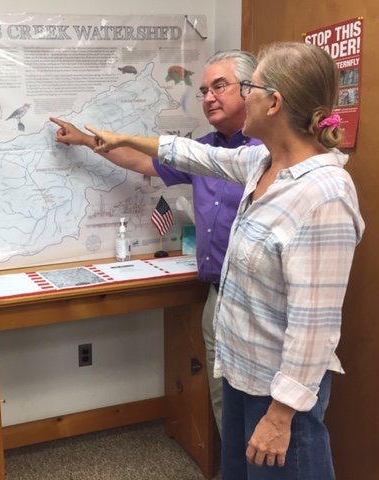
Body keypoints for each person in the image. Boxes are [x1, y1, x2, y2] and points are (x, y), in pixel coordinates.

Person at [84, 41, 364, 480]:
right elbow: (194, 154)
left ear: (274, 102)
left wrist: (280, 415)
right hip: (239, 373)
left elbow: (316, 325)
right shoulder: (261, 161)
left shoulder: (324, 194)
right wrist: (119, 138)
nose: (237, 96)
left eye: (247, 86)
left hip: (278, 394)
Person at [50, 50, 259, 435]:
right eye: (203, 90)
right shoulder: (204, 149)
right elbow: (142, 161)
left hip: (259, 296)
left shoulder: (266, 153)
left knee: (260, 401)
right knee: (221, 395)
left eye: (219, 86)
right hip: (217, 294)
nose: (208, 97)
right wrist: (83, 141)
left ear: (251, 90)